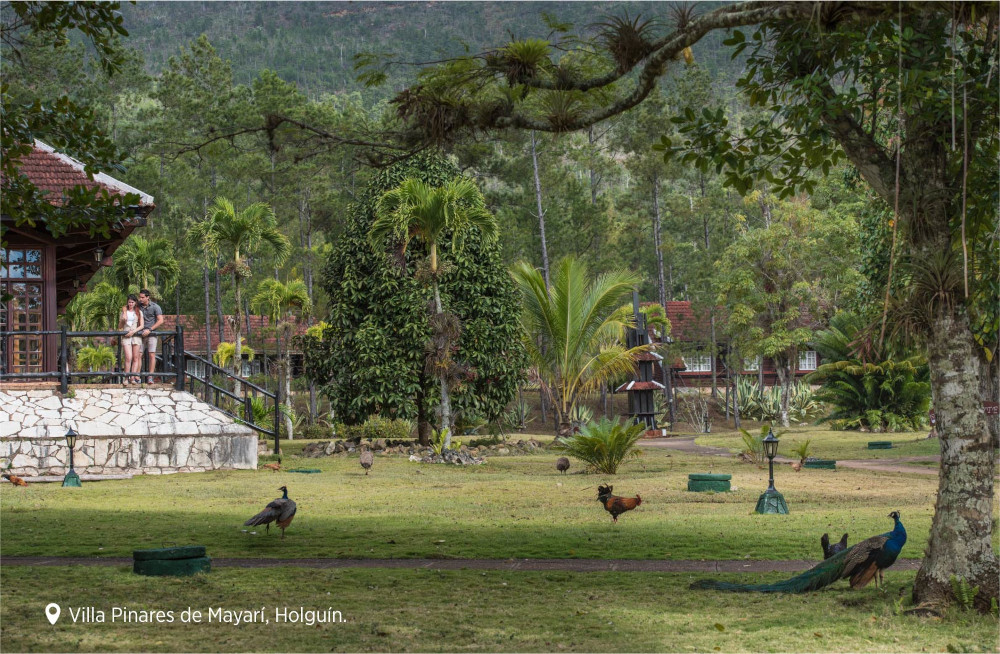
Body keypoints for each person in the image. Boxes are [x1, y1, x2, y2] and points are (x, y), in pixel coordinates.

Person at [137, 289, 164, 383]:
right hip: (140, 334)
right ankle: (137, 376)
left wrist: (150, 329)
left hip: (151, 333)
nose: (140, 299)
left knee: (151, 354)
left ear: (148, 297)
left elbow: (160, 320)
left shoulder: (155, 307)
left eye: (142, 297)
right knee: (138, 355)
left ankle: (150, 376)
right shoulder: (138, 306)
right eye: (139, 297)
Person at [118, 294, 144, 384]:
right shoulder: (124, 312)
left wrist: (134, 331)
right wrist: (123, 320)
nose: (130, 304)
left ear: (135, 303)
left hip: (135, 335)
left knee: (136, 357)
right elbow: (120, 326)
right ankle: (126, 378)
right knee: (128, 357)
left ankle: (132, 377)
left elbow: (142, 325)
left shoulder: (139, 312)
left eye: (132, 302)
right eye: (129, 302)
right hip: (126, 335)